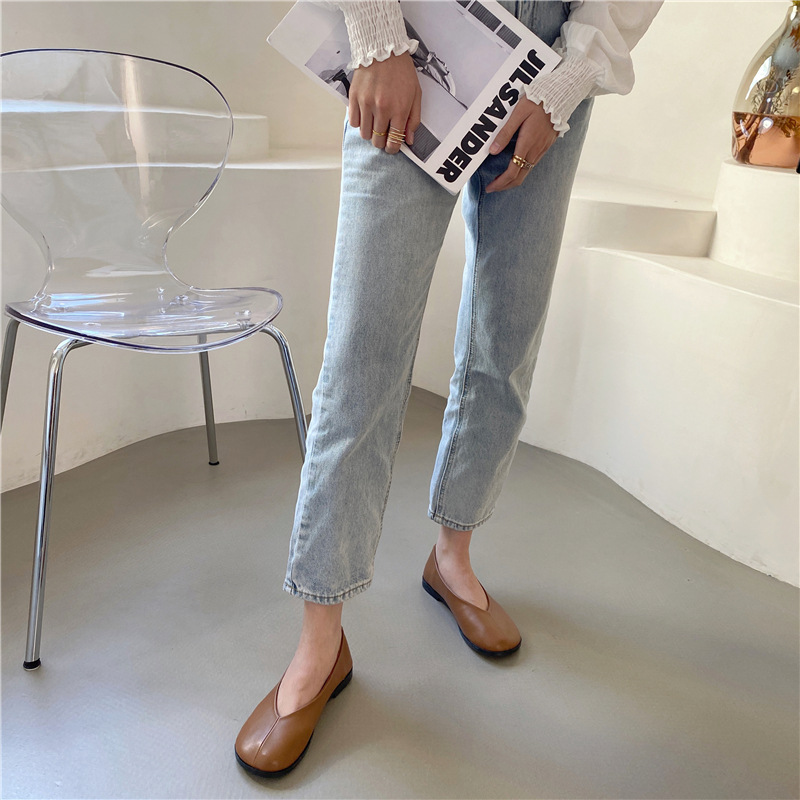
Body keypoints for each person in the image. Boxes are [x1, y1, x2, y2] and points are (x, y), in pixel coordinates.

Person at [236, 0, 662, 778]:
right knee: (363, 354)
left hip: (552, 57)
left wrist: (563, 86)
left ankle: (452, 558)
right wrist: (377, 37)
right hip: (418, 31)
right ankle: (320, 642)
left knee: (507, 335)